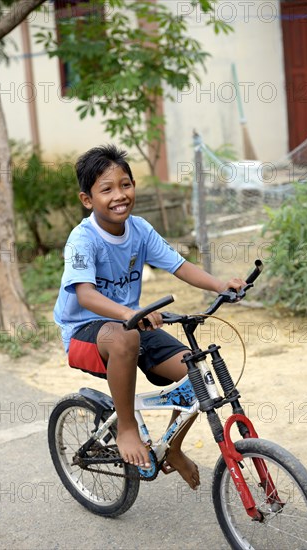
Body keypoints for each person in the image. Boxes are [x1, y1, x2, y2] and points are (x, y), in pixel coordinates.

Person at [54, 144, 245, 490]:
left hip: (132, 323)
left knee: (195, 372)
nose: (119, 195)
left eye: (125, 184)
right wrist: (131, 313)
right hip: (86, 331)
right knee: (125, 335)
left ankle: (172, 448)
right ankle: (126, 427)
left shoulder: (139, 229)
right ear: (87, 200)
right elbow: (84, 294)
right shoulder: (82, 240)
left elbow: (179, 265)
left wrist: (221, 285)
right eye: (106, 189)